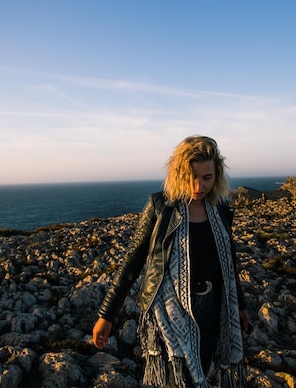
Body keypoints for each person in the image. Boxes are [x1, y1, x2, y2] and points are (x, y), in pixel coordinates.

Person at [93, 135, 251, 388]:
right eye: (191, 178)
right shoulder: (160, 206)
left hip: (213, 309)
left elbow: (228, 265)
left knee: (206, 369)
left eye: (207, 178)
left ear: (217, 174)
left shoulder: (221, 208)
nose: (199, 186)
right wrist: (106, 315)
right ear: (178, 174)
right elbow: (132, 261)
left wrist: (240, 305)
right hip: (168, 313)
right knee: (178, 379)